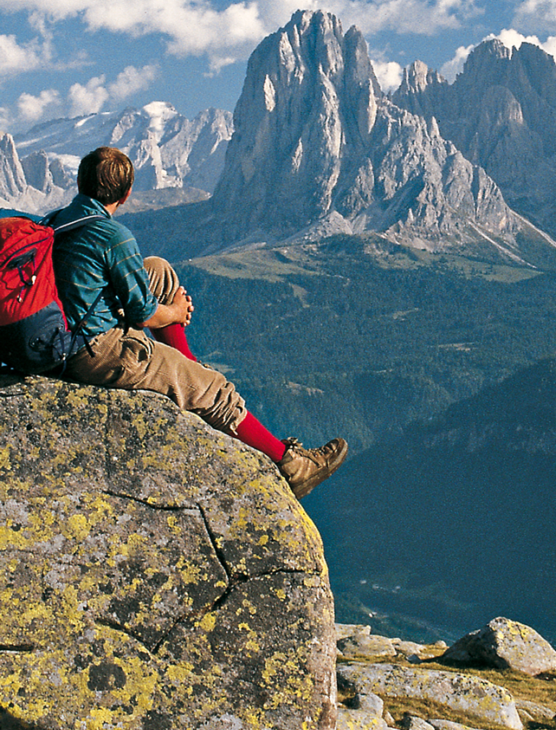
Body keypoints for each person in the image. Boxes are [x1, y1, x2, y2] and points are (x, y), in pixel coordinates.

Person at [50, 146, 347, 498]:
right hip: (96, 351)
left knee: (157, 269)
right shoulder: (113, 237)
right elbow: (143, 315)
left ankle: (185, 363)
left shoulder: (58, 220)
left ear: (80, 183)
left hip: (64, 332)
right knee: (213, 387)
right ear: (127, 194)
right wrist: (175, 312)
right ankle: (294, 467)